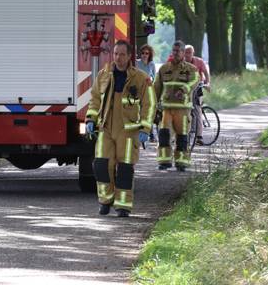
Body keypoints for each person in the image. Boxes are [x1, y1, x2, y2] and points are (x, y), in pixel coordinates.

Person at [85, 40, 156, 217]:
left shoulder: (140, 78)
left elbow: (150, 103)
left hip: (128, 130)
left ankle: (123, 206)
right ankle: (105, 200)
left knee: (124, 169)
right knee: (101, 165)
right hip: (106, 128)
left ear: (130, 56)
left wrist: (145, 128)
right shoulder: (103, 75)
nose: (118, 57)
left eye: (122, 54)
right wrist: (90, 118)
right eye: (116, 54)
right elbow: (95, 99)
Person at [153, 40, 199, 172]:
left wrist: (184, 89)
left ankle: (181, 162)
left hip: (183, 110)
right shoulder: (164, 69)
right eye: (174, 50)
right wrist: (154, 106)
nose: (175, 53)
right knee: (164, 135)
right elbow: (156, 88)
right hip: (166, 110)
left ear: (184, 53)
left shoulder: (191, 69)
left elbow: (195, 81)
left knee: (182, 136)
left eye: (178, 51)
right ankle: (164, 161)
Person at [184, 45, 210, 145]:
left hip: (198, 87)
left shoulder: (199, 61)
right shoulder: (182, 62)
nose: (187, 55)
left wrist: (207, 84)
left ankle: (199, 136)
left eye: (189, 52)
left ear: (193, 53)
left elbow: (206, 73)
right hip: (186, 88)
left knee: (197, 110)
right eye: (185, 52)